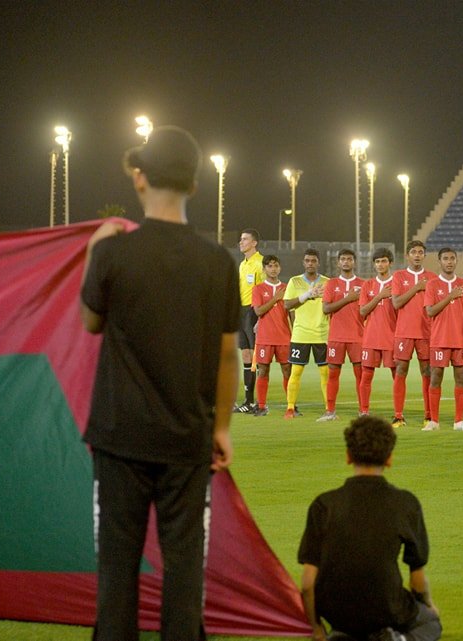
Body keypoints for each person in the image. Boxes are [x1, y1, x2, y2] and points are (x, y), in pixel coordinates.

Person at [79, 126, 239, 641]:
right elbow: (227, 355)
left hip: (119, 434)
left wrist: (93, 250)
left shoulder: (114, 252)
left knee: (117, 565)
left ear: (139, 178)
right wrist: (223, 427)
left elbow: (90, 322)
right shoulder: (217, 261)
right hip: (186, 437)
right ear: (195, 185)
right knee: (184, 566)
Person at [298, 416, 442, 641]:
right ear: (389, 459)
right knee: (430, 623)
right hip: (387, 608)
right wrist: (429, 607)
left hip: (336, 612)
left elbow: (307, 583)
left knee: (345, 629)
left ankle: (343, 635)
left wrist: (316, 629)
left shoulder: (323, 505)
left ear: (348, 456)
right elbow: (418, 581)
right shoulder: (406, 503)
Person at [423, 247, 463, 433]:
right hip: (439, 340)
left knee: (461, 379)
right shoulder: (433, 285)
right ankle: (434, 420)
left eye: (452, 258)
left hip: (459, 341)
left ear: (456, 261)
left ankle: (459, 421)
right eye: (445, 258)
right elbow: (430, 311)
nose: (449, 261)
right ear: (439, 261)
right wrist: (450, 297)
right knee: (436, 378)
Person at [391, 241, 434, 428]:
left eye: (420, 252)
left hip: (427, 332)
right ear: (407, 255)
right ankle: (398, 416)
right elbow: (396, 303)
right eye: (413, 252)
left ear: (424, 255)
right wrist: (416, 288)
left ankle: (429, 415)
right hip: (404, 332)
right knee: (401, 370)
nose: (417, 255)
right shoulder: (399, 276)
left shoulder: (432, 278)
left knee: (427, 372)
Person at [284, 248, 330, 419]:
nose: (310, 263)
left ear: (318, 263)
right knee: (295, 371)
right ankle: (290, 408)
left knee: (325, 372)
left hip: (322, 334)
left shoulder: (328, 282)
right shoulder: (294, 282)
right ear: (304, 263)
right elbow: (287, 305)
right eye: (307, 261)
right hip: (300, 334)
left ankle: (328, 408)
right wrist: (307, 295)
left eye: (313, 261)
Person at [320, 248, 365, 422]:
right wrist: (348, 298)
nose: (346, 262)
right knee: (333, 374)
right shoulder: (331, 284)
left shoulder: (363, 284)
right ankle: (330, 411)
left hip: (358, 336)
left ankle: (363, 411)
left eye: (349, 259)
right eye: (343, 259)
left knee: (361, 375)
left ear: (354, 262)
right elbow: (326, 309)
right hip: (336, 337)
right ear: (338, 262)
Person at [358, 248, 398, 416]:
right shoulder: (368, 285)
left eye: (384, 261)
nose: (380, 264)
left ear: (390, 263)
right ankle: (364, 411)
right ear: (374, 265)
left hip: (392, 337)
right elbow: (362, 311)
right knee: (366, 375)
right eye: (377, 262)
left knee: (397, 376)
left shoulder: (397, 283)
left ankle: (398, 413)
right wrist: (379, 296)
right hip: (371, 338)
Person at [252, 254, 292, 416]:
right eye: (269, 266)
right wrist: (275, 299)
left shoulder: (287, 287)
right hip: (265, 337)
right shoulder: (258, 289)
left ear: (280, 268)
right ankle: (261, 406)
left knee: (287, 370)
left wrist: (295, 332)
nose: (273, 269)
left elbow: (291, 312)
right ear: (264, 269)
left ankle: (291, 405)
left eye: (276, 265)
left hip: (284, 337)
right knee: (263, 371)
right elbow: (259, 311)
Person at [235, 228, 264, 413]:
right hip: (240, 311)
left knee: (256, 357)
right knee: (245, 355)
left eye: (245, 239)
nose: (241, 242)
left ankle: (258, 402)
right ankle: (247, 400)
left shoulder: (260, 264)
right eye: (240, 239)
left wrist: (260, 318)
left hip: (252, 312)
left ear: (254, 243)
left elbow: (263, 292)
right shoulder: (243, 264)